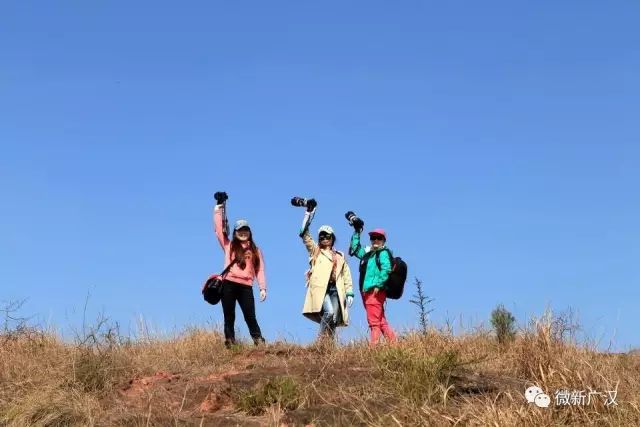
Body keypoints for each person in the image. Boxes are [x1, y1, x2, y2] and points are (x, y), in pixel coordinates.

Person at [213, 191, 267, 348]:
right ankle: (230, 342)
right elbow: (218, 228)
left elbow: (260, 269)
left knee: (250, 315)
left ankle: (259, 341)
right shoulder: (229, 245)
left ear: (250, 232)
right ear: (235, 233)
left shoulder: (256, 250)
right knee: (229, 315)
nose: (243, 232)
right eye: (239, 230)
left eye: (245, 230)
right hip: (228, 284)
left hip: (246, 286)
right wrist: (219, 206)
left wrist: (262, 287)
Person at [299, 201, 354, 341]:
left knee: (334, 318)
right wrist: (308, 214)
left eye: (327, 236)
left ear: (332, 238)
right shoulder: (315, 251)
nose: (324, 238)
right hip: (321, 288)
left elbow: (346, 275)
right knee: (328, 312)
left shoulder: (340, 256)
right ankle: (321, 341)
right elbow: (304, 234)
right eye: (321, 236)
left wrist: (349, 292)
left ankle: (328, 346)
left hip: (336, 288)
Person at [349, 227, 397, 345]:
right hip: (367, 292)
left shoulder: (383, 253)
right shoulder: (369, 254)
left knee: (373, 322)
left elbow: (386, 269)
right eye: (373, 238)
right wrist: (356, 232)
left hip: (374, 292)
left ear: (383, 240)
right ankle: (394, 344)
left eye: (378, 238)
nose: (375, 240)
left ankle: (373, 348)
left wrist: (378, 285)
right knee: (381, 321)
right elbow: (355, 249)